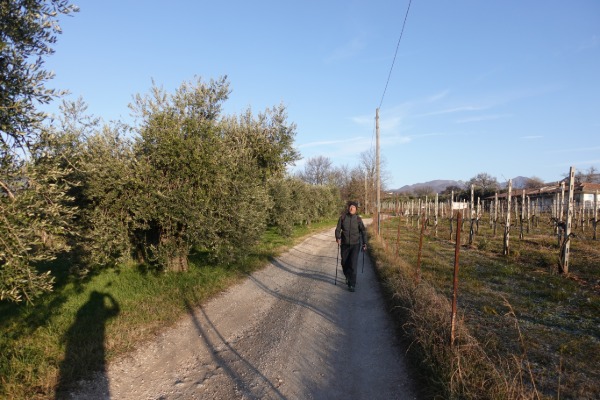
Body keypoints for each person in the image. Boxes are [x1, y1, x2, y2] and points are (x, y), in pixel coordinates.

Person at [335, 201, 367, 292]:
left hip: (355, 245)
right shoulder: (342, 218)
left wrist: (365, 243)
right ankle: (347, 276)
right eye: (350, 207)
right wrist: (338, 237)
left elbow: (363, 232)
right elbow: (338, 229)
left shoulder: (358, 220)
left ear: (356, 209)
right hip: (344, 244)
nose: (351, 208)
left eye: (353, 207)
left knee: (353, 264)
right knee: (344, 263)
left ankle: (352, 284)